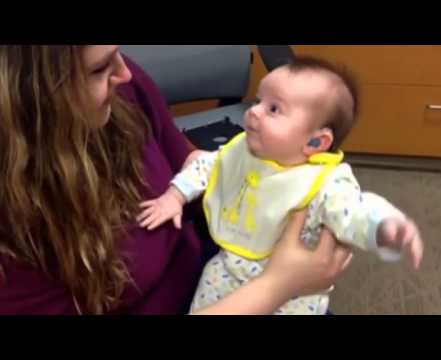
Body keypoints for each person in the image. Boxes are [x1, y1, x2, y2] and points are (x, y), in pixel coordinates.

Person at [0, 45, 352, 315]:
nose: (124, 73)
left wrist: (221, 172)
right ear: (26, 98)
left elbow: (176, 150)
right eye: (98, 68)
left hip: (220, 260)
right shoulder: (15, 237)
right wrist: (278, 285)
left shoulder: (125, 87)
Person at [138, 56, 424, 315]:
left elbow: (356, 212)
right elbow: (204, 166)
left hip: (295, 293)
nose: (254, 112)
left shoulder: (325, 183)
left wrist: (385, 227)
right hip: (227, 268)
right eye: (258, 101)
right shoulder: (245, 151)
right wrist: (175, 196)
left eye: (274, 109)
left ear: (315, 142)